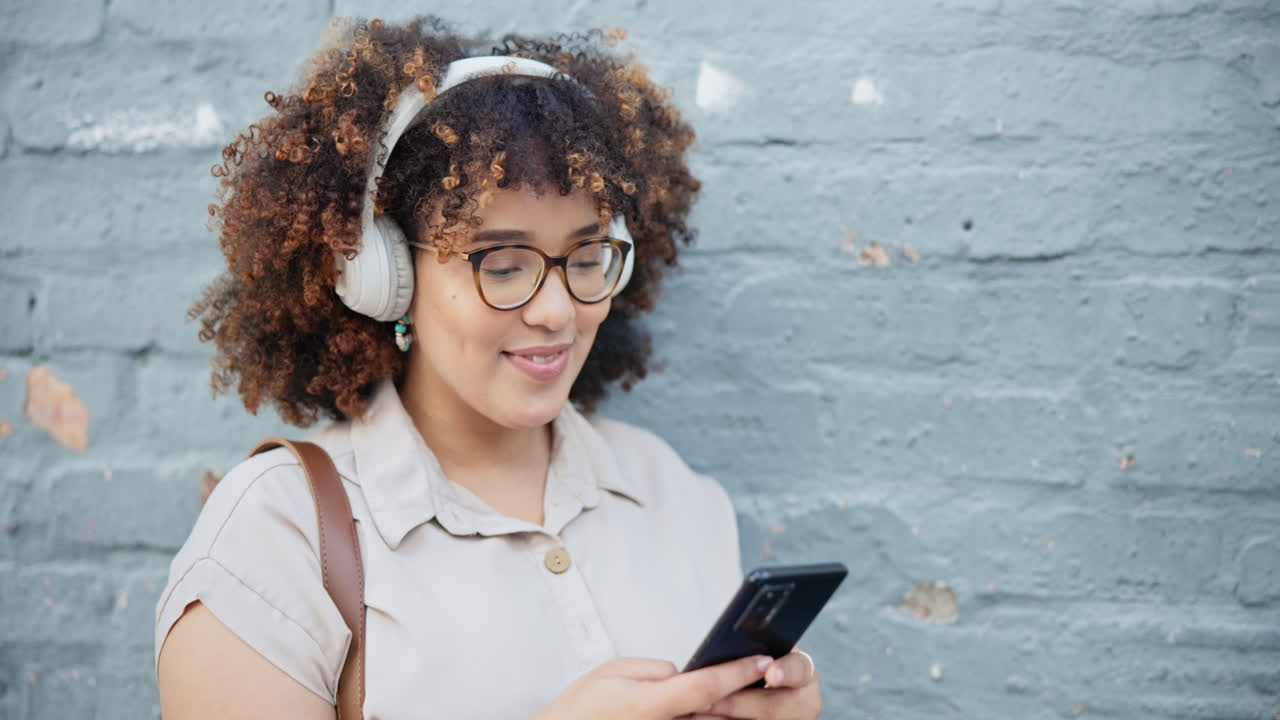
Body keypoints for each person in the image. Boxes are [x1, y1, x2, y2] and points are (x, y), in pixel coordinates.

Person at [154, 15, 822, 720]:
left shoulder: (676, 497)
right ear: (384, 276)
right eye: (503, 265)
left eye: (589, 257)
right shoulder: (276, 534)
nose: (558, 312)